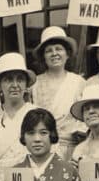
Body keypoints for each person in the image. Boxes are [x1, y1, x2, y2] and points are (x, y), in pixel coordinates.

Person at [31, 26, 87, 160]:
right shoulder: (35, 83)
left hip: (72, 148)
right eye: (49, 51)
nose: (54, 53)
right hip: (43, 148)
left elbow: (85, 115)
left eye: (59, 49)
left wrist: (81, 130)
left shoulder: (79, 82)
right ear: (43, 57)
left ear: (67, 54)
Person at [0, 52, 37, 168]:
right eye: (8, 80)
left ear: (26, 85)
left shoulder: (38, 115)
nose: (15, 85)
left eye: (20, 80)